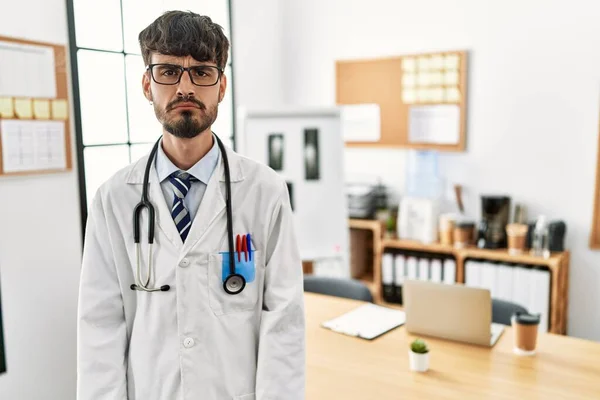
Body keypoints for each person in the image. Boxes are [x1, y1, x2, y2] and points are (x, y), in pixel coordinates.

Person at [77, 10, 305, 400]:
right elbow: (100, 325)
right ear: (147, 85)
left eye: (202, 72)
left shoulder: (264, 192)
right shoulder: (113, 199)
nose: (185, 87)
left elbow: (283, 323)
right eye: (168, 71)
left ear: (222, 86)